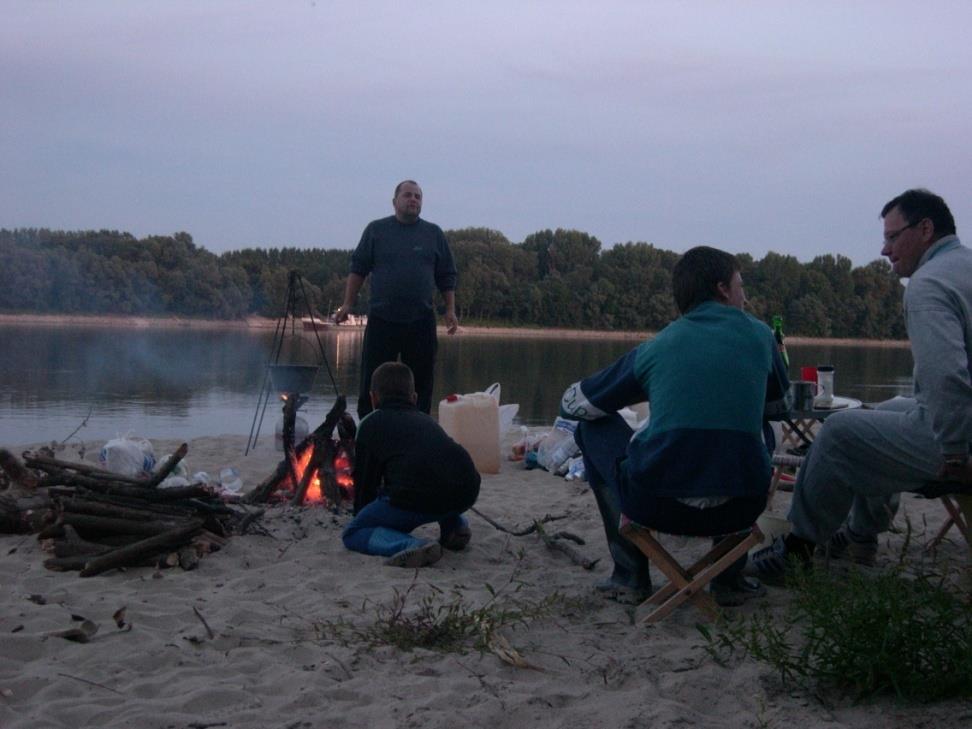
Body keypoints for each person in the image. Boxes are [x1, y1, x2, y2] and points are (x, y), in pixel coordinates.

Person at [753, 188, 972, 578]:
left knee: (838, 433)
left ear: (925, 229)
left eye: (892, 237)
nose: (885, 250)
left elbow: (946, 376)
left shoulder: (928, 284)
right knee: (883, 411)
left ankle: (798, 550)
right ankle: (859, 535)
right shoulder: (963, 267)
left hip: (960, 443)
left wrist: (954, 454)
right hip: (955, 421)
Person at [561, 246, 789, 605]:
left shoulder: (658, 346)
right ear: (723, 289)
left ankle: (629, 576)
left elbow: (577, 405)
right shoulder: (762, 337)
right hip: (742, 506)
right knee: (763, 428)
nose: (744, 295)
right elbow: (779, 405)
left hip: (655, 505)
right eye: (740, 285)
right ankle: (728, 581)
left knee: (590, 431)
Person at [334, 180, 459, 418]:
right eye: (408, 195)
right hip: (382, 319)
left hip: (421, 321)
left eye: (418, 197)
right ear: (395, 202)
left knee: (422, 382)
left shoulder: (433, 234)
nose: (413, 200)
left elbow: (446, 275)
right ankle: (369, 426)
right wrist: (348, 304)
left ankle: (418, 426)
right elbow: (358, 268)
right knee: (372, 378)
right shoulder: (376, 230)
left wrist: (450, 310)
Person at [342, 361, 480, 568]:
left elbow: (366, 483)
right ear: (414, 398)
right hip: (466, 489)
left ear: (373, 398)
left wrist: (362, 516)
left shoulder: (369, 424)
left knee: (352, 534)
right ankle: (455, 525)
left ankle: (410, 544)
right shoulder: (426, 420)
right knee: (437, 485)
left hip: (417, 495)